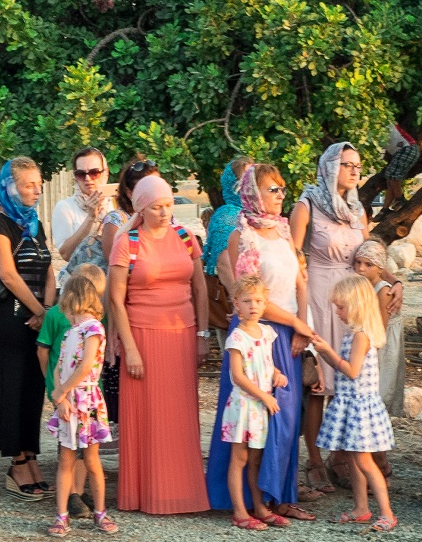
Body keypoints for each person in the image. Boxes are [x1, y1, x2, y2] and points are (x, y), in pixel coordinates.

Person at [209, 164, 316, 521]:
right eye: (273, 190)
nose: (280, 196)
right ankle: (253, 502)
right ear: (253, 193)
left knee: (287, 417)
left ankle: (282, 495)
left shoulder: (284, 232)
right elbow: (251, 296)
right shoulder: (242, 236)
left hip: (289, 333)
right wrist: (295, 322)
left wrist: (303, 328)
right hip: (258, 334)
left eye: (282, 189)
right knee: (260, 416)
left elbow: (301, 282)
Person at [107, 174, 210, 514]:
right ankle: (144, 494)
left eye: (168, 205)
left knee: (180, 416)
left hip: (182, 333)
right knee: (148, 417)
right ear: (141, 208)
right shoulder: (128, 242)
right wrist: (130, 348)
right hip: (144, 336)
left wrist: (202, 334)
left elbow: (200, 289)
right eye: (157, 207)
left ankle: (183, 493)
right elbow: (116, 300)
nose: (165, 212)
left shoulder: (184, 236)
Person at [289, 142, 371, 492]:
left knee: (349, 379)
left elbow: (369, 252)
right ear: (329, 167)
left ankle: (341, 455)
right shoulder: (306, 204)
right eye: (346, 164)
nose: (354, 171)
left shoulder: (357, 209)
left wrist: (391, 282)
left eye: (357, 165)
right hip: (319, 293)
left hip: (351, 296)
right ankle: (314, 459)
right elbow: (293, 255)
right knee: (319, 383)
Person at [0, 157, 56, 497]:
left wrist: (46, 310)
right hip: (13, 316)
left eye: (39, 184)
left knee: (34, 388)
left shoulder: (36, 225)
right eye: (30, 184)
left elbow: (49, 270)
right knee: (14, 387)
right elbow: (7, 274)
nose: (36, 190)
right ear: (11, 187)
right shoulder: (0, 224)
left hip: (38, 316)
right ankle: (16, 463)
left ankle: (31, 454)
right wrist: (38, 311)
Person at [309, 274, 397, 529]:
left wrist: (327, 351)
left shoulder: (361, 336)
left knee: (365, 461)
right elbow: (342, 368)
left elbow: (351, 370)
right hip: (351, 403)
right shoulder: (352, 334)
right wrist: (325, 353)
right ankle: (361, 508)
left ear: (356, 306)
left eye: (341, 307)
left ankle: (387, 513)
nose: (337, 312)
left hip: (360, 407)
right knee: (352, 459)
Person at [42, 267, 116, 537]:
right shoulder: (70, 331)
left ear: (72, 299)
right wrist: (60, 398)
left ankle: (100, 511)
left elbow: (86, 366)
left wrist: (61, 392)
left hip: (87, 399)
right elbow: (60, 366)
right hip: (69, 401)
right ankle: (61, 515)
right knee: (66, 459)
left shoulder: (93, 328)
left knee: (93, 460)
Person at [97, 157, 160, 427]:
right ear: (129, 192)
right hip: (125, 308)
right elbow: (115, 272)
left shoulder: (163, 219)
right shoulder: (117, 220)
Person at [216, 276, 283, 529]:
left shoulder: (267, 332)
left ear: (265, 304)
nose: (253, 305)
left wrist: (276, 373)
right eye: (247, 301)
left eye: (258, 301)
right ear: (236, 305)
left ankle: (260, 507)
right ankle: (240, 512)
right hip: (244, 406)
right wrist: (264, 395)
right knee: (240, 459)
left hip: (260, 408)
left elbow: (265, 362)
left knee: (256, 460)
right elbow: (238, 375)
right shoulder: (237, 337)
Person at [351, 239, 406, 426]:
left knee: (380, 390)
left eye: (368, 264)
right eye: (358, 262)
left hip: (381, 346)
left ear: (381, 269)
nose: (360, 268)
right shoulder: (363, 286)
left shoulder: (383, 291)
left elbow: (380, 329)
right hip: (368, 341)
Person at [202, 156, 254, 337]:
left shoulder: (254, 214)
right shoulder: (230, 215)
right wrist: (239, 302)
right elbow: (223, 262)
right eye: (246, 178)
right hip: (240, 306)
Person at [51, 147, 112, 272]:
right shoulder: (65, 207)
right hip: (81, 283)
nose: (88, 179)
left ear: (105, 173)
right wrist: (90, 218)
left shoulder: (115, 204)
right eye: (81, 174)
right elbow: (66, 254)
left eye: (94, 172)